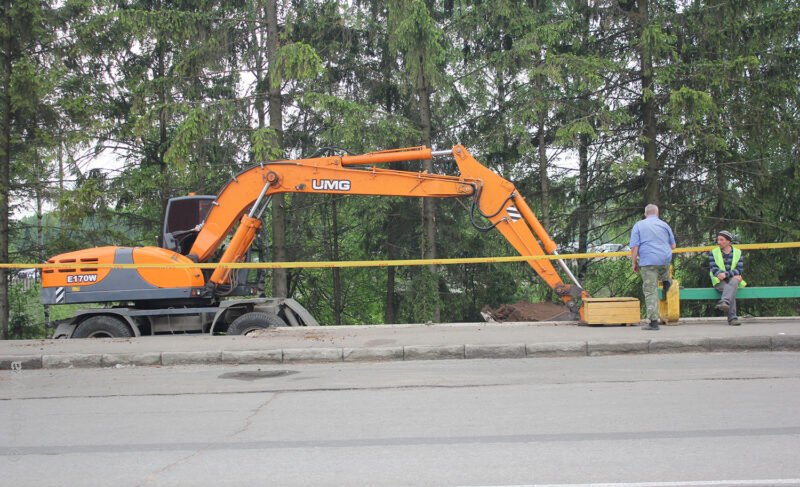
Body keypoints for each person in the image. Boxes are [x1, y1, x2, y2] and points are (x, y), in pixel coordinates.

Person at [630, 204, 676, 330]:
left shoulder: (639, 225)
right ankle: (666, 279)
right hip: (665, 259)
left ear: (645, 214)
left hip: (648, 261)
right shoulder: (665, 225)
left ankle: (653, 322)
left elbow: (635, 247)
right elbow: (673, 246)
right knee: (663, 267)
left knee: (650, 291)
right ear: (657, 213)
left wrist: (634, 263)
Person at [709, 230, 746, 326]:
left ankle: (724, 301)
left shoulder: (738, 252)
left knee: (733, 283)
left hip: (732, 278)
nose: (719, 242)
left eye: (721, 240)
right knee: (730, 289)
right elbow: (713, 268)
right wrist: (720, 275)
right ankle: (733, 318)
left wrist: (726, 274)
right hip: (718, 279)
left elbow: (739, 269)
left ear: (728, 241)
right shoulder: (713, 252)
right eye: (718, 240)